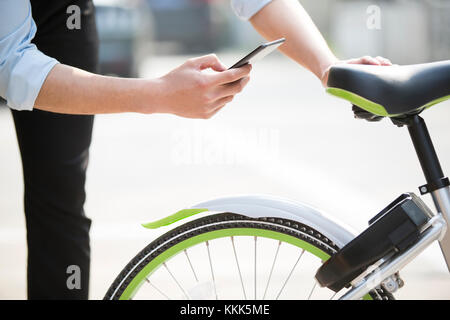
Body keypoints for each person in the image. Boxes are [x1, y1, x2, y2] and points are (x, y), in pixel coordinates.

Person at [0, 0, 390, 299]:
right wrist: (158, 95)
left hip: (62, 17)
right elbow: (9, 64)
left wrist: (329, 68)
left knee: (59, 200)